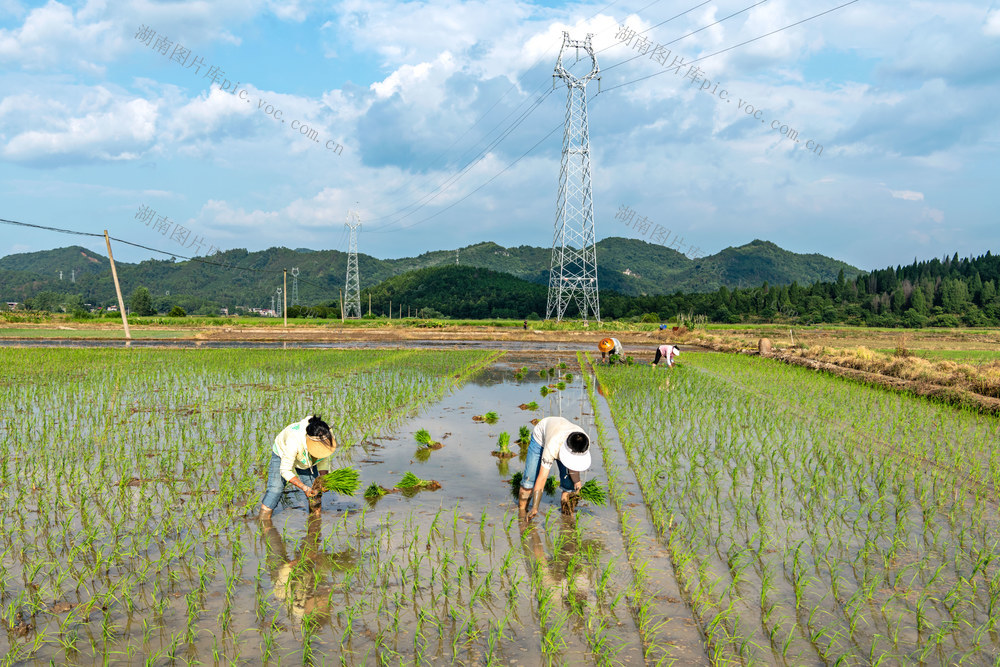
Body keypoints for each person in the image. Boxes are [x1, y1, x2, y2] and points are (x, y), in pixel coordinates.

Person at [259, 415, 338, 520]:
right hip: (283, 452)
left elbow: (324, 457)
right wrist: (303, 487)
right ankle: (263, 522)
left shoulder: (326, 434)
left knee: (315, 490)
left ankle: (315, 523)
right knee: (275, 490)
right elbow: (285, 470)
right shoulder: (294, 441)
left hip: (307, 460)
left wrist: (324, 478)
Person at [518, 416, 591, 521]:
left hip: (560, 431)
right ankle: (521, 515)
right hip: (541, 438)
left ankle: (567, 521)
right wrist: (535, 507)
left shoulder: (583, 441)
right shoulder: (552, 446)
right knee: (529, 482)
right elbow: (542, 477)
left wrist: (577, 483)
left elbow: (574, 466)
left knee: (569, 486)